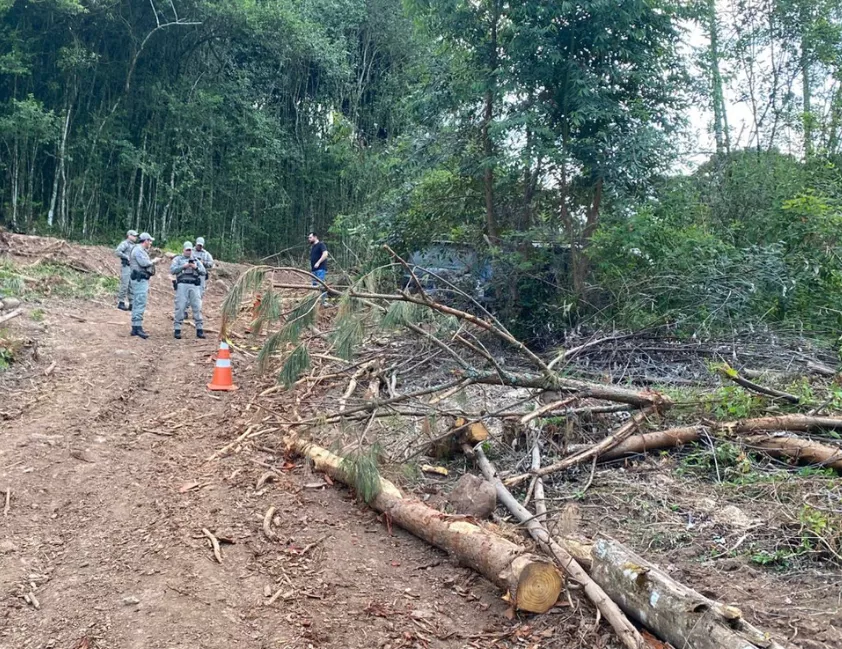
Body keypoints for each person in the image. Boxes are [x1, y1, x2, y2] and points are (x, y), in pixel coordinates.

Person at [170, 241, 206, 339]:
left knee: (197, 307)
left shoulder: (196, 260)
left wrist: (196, 267)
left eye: (190, 250)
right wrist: (183, 266)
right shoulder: (178, 259)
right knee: (180, 307)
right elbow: (172, 270)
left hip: (194, 286)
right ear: (183, 250)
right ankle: (177, 329)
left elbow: (203, 272)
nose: (189, 252)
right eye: (187, 250)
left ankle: (199, 329)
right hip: (182, 285)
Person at [128, 232, 161, 339]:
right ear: (145, 241)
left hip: (140, 279)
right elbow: (144, 263)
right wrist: (154, 261)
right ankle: (137, 328)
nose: (150, 243)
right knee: (140, 302)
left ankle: (135, 327)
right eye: (150, 240)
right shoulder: (138, 250)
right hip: (140, 279)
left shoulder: (139, 250)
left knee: (138, 302)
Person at [114, 230, 138, 311]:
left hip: (132, 267)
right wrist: (126, 256)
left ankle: (131, 303)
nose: (135, 237)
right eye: (134, 236)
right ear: (129, 235)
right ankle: (121, 302)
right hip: (126, 266)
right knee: (125, 284)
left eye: (136, 236)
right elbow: (117, 252)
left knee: (132, 285)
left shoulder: (134, 245)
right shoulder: (125, 243)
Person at [308, 231, 329, 305]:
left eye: (310, 237)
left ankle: (324, 302)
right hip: (314, 270)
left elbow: (325, 254)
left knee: (321, 285)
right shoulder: (313, 247)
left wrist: (318, 262)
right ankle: (315, 302)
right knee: (314, 286)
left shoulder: (321, 245)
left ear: (315, 237)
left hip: (320, 269)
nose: (309, 239)